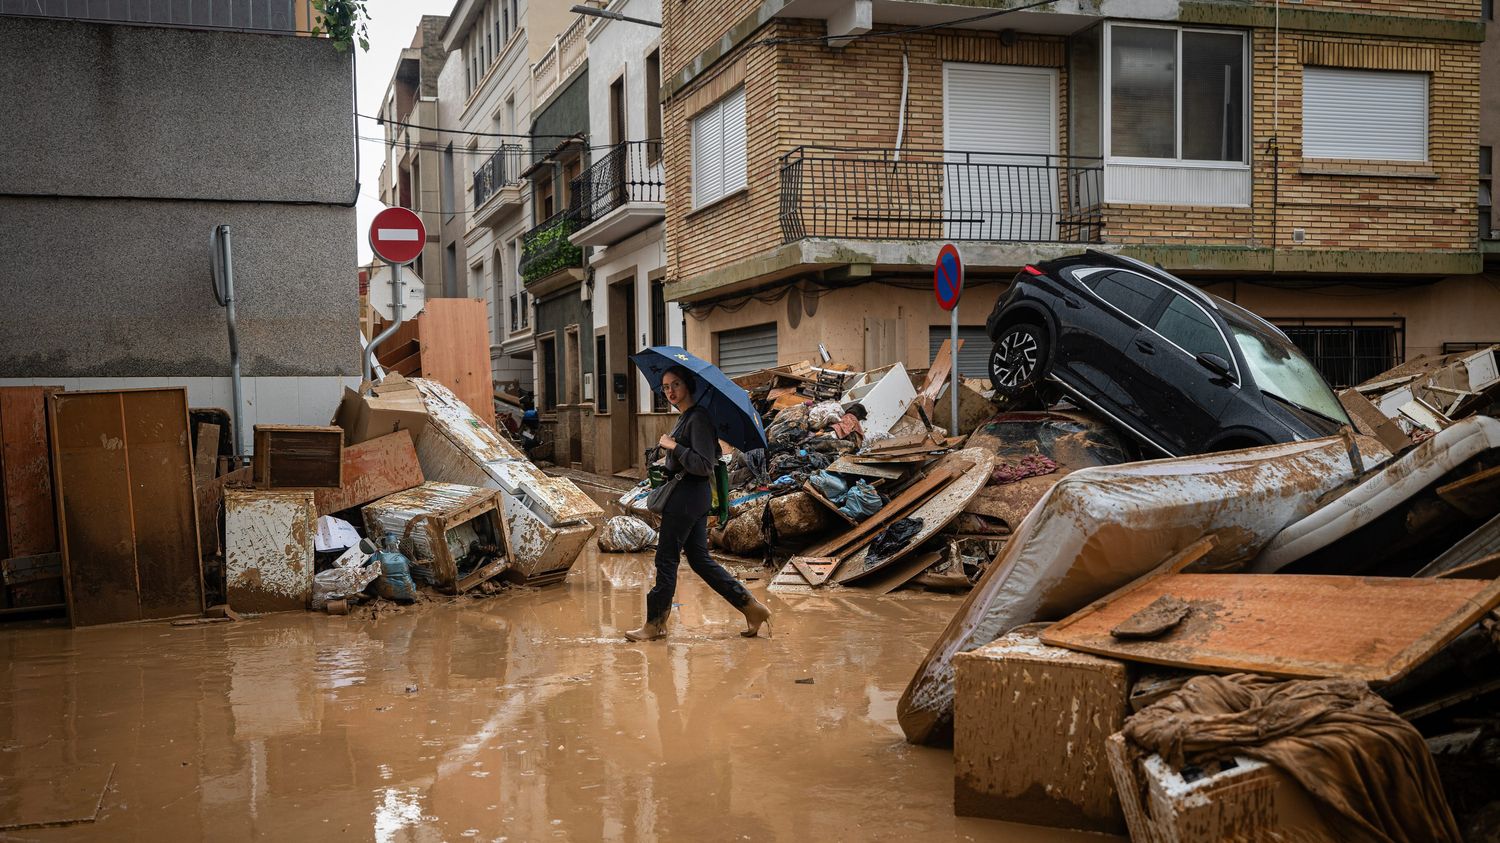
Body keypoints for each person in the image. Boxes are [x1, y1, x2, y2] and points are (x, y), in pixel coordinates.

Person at [625, 365, 772, 642]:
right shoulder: (686, 418)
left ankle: (654, 624)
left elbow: (704, 465)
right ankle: (752, 608)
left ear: (689, 386)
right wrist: (668, 456)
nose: (670, 391)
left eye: (676, 385)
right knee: (699, 560)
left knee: (666, 559)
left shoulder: (699, 419)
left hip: (687, 498)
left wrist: (673, 447)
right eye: (666, 387)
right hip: (691, 496)